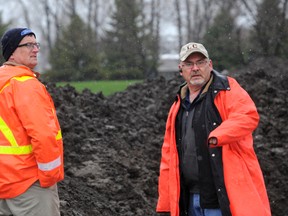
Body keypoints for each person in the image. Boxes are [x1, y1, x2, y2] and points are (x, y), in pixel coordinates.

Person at [156, 42, 271, 216]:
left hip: (222, 195)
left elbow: (247, 116)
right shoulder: (178, 105)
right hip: (190, 196)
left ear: (210, 65)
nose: (195, 68)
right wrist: (165, 202)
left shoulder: (227, 89)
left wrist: (218, 135)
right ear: (181, 70)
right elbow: (168, 154)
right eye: (189, 64)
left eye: (200, 62)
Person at [0, 28, 64, 216]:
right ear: (12, 51)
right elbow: (43, 135)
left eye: (36, 44)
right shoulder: (26, 86)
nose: (35, 49)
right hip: (30, 185)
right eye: (28, 45)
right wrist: (50, 177)